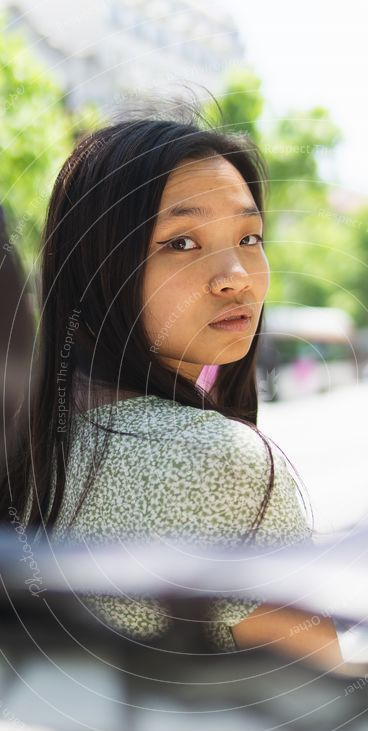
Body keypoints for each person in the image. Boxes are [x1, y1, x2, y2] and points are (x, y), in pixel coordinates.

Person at [0, 113, 342, 668]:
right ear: (98, 269)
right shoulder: (222, 461)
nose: (236, 275)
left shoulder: (31, 443)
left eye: (249, 237)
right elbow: (319, 698)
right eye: (182, 242)